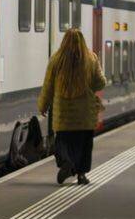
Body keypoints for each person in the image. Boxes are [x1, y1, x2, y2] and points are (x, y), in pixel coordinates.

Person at [39, 28, 107, 186]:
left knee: (62, 142)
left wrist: (43, 105)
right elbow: (100, 82)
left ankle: (66, 163)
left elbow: (48, 86)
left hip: (63, 114)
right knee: (84, 145)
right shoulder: (91, 58)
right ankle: (81, 175)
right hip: (85, 115)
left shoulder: (56, 59)